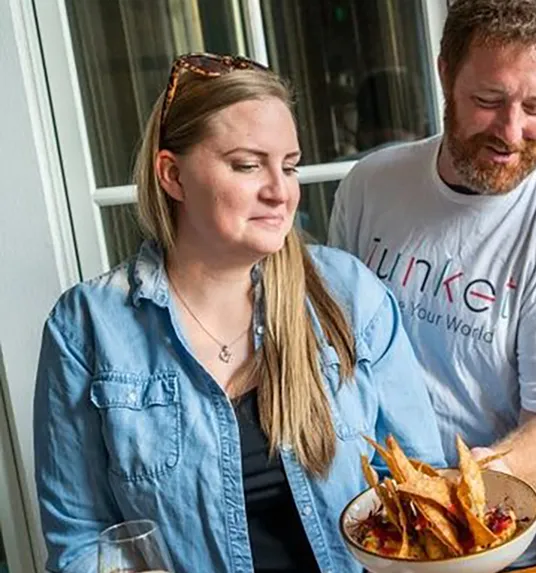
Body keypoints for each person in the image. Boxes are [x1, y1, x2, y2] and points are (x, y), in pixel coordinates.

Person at [33, 53, 445, 573]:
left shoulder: (349, 293)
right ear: (173, 175)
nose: (280, 191)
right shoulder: (87, 328)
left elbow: (425, 485)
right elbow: (79, 543)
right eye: (248, 165)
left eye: (289, 166)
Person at [328, 0, 536, 565]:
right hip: (373, 532)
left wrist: (467, 485)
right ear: (444, 75)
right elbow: (332, 353)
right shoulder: (370, 186)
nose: (511, 131)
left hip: (503, 546)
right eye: (488, 101)